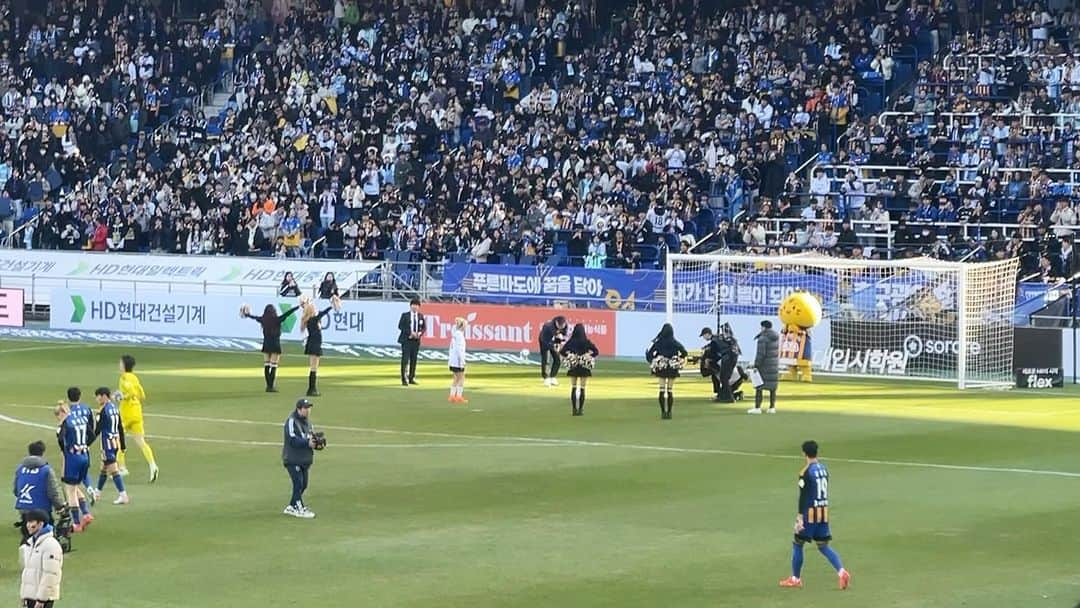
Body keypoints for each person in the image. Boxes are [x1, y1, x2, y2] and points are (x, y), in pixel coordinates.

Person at [780, 440, 851, 590]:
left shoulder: (805, 472)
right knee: (823, 546)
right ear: (817, 452)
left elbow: (803, 495)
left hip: (810, 514)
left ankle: (795, 578)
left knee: (798, 543)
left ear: (804, 453)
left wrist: (800, 517)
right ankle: (841, 571)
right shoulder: (824, 469)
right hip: (823, 511)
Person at [13, 441, 67, 543]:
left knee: (27, 536)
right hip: (41, 511)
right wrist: (60, 507)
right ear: (42, 453)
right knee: (46, 537)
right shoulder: (46, 470)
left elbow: (16, 491)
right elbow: (53, 493)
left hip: (24, 509)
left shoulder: (20, 468)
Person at [116, 355, 159, 482]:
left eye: (120, 363)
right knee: (141, 441)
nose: (119, 365)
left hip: (127, 413)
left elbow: (132, 392)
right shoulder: (135, 377)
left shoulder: (125, 377)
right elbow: (142, 395)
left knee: (117, 439)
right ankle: (153, 465)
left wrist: (122, 397)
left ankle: (122, 468)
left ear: (124, 365)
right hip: (137, 412)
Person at [243, 303, 302, 392]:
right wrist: (297, 307)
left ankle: (268, 386)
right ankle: (271, 386)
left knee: (266, 365)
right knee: (274, 366)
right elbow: (287, 313)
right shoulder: (277, 320)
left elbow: (254, 317)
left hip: (266, 344)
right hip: (275, 344)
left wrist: (247, 314)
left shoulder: (263, 320)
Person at [53, 401, 92, 534]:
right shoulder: (81, 419)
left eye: (58, 415)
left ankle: (76, 523)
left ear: (63, 412)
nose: (58, 418)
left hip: (73, 458)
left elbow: (61, 440)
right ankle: (86, 513)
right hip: (85, 456)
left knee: (69, 490)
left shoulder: (65, 423)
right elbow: (91, 434)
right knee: (75, 487)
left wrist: (65, 450)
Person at [282, 399, 319, 519]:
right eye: (305, 408)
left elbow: (311, 438)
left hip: (304, 460)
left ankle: (291, 506)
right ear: (299, 409)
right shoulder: (291, 421)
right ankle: (300, 507)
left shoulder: (309, 423)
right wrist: (307, 443)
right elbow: (292, 439)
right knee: (298, 483)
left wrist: (317, 444)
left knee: (304, 485)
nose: (308, 410)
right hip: (292, 459)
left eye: (309, 408)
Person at [19, 509, 63, 608]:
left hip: (42, 599)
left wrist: (42, 599)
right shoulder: (30, 544)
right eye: (27, 522)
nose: (28, 525)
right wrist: (24, 595)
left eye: (31, 522)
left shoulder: (50, 545)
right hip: (31, 596)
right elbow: (27, 572)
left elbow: (50, 574)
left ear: (40, 524)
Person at [92, 388, 128, 505]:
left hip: (107, 443)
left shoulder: (103, 411)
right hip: (115, 441)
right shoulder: (114, 408)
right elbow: (120, 427)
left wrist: (86, 443)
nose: (96, 399)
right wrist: (122, 444)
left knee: (113, 469)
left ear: (104, 396)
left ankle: (123, 495)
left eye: (98, 396)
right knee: (104, 467)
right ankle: (97, 493)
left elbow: (97, 431)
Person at [646, 323, 688, 420]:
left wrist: (655, 360)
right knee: (670, 390)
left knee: (661, 389)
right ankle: (669, 412)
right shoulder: (675, 342)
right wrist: (678, 360)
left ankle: (662, 412)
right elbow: (684, 352)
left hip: (661, 367)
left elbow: (650, 353)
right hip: (672, 367)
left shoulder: (658, 342)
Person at [301, 296, 341, 396]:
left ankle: (312, 388)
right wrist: (332, 305)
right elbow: (323, 313)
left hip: (312, 343)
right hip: (315, 344)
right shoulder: (313, 320)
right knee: (314, 368)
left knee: (313, 367)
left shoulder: (308, 320)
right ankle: (312, 389)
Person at [63, 393, 96, 501]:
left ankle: (73, 500)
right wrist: (87, 444)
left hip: (74, 448)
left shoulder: (68, 411)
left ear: (68, 398)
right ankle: (90, 488)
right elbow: (91, 426)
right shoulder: (87, 408)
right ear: (80, 396)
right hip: (84, 445)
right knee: (84, 470)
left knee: (72, 478)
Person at [560, 324, 599, 416]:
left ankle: (574, 409)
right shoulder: (586, 341)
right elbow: (596, 351)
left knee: (573, 387)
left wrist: (570, 356)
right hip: (584, 367)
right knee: (582, 388)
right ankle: (580, 409)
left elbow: (562, 351)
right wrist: (588, 356)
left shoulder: (571, 341)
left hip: (574, 366)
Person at [748, 320, 780, 414]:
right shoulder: (775, 337)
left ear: (763, 327)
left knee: (759, 386)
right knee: (772, 388)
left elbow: (761, 354)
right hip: (773, 365)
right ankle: (772, 407)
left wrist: (756, 365)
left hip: (764, 366)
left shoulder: (762, 339)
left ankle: (757, 408)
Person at [397, 298, 425, 386]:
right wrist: (410, 333)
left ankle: (411, 377)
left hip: (416, 341)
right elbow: (400, 326)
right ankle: (403, 379)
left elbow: (424, 327)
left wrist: (419, 333)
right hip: (406, 340)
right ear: (410, 306)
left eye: (416, 305)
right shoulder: (405, 315)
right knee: (405, 360)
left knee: (414, 360)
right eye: (413, 305)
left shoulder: (420, 316)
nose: (415, 307)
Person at [538, 316, 568, 386]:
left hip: (555, 341)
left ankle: (553, 377)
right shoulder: (548, 327)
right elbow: (544, 340)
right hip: (545, 341)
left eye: (562, 326)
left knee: (558, 359)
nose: (561, 328)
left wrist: (559, 344)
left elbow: (563, 336)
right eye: (559, 326)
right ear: (556, 323)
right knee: (546, 359)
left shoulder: (565, 326)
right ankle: (546, 378)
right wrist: (553, 346)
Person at [447, 317, 468, 403]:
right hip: (458, 361)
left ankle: (452, 396)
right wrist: (462, 361)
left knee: (455, 378)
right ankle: (459, 396)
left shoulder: (455, 334)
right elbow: (459, 350)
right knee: (461, 378)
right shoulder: (459, 335)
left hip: (452, 360)